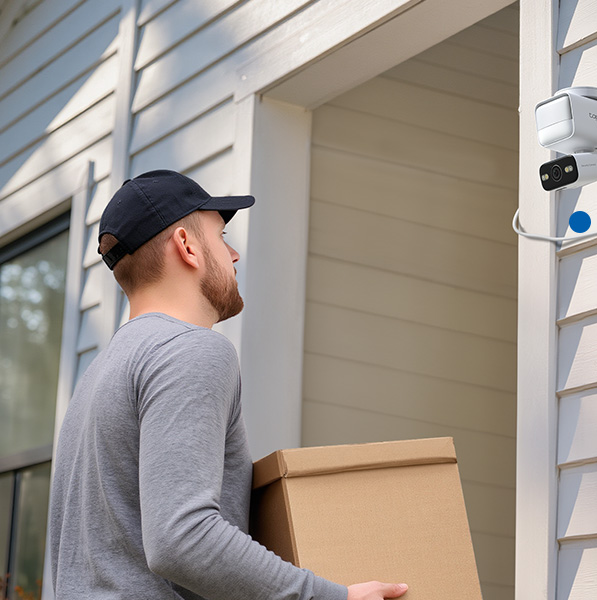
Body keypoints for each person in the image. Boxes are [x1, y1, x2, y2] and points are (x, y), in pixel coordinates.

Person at [48, 170, 408, 600]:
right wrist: (334, 597)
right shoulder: (190, 351)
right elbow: (182, 539)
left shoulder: (97, 376)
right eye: (221, 236)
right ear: (187, 246)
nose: (234, 254)